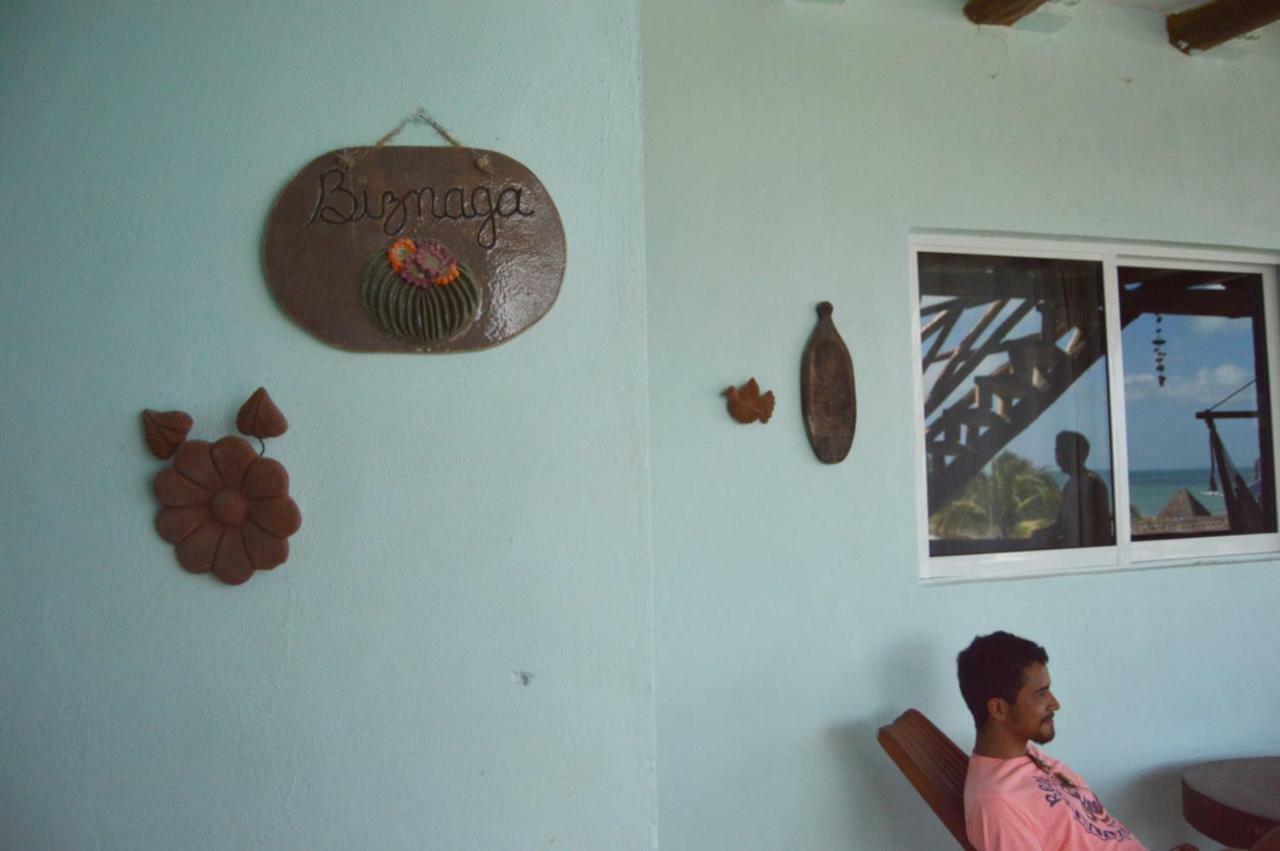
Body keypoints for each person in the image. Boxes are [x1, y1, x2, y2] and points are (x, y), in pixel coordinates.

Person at [956, 631, 1197, 851]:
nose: (1055, 703)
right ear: (999, 709)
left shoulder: (1024, 755)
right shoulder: (998, 806)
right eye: (1041, 693)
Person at [1035, 431, 1114, 548]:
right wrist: (1039, 534)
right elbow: (1062, 525)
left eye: (1061, 452)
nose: (1057, 458)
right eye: (1057, 452)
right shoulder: (1069, 487)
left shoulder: (1093, 484)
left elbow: (1101, 530)